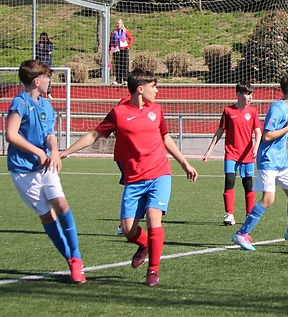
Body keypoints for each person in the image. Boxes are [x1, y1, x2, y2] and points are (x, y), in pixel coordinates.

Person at [62, 68, 198, 287]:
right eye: (154, 86)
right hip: (134, 178)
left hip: (159, 173)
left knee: (154, 218)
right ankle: (144, 245)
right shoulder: (119, 113)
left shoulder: (157, 110)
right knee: (128, 230)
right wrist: (66, 152)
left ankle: (153, 270)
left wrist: (184, 163)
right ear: (140, 89)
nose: (157, 90)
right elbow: (94, 135)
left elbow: (166, 138)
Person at [6, 59, 87, 283]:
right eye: (47, 77)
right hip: (23, 170)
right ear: (36, 81)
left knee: (61, 204)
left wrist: (53, 151)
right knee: (47, 215)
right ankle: (71, 260)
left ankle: (77, 257)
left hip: (46, 168)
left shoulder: (46, 105)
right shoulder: (20, 103)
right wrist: (37, 152)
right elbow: (11, 135)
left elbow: (50, 134)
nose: (50, 81)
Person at [232, 73, 288, 251]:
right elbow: (267, 136)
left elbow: (279, 135)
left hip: (281, 161)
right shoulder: (277, 108)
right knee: (268, 199)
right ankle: (241, 234)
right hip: (268, 160)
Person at [202, 81, 262, 226]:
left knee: (248, 184)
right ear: (239, 94)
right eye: (248, 94)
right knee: (229, 182)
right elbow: (220, 131)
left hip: (247, 155)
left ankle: (249, 214)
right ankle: (229, 214)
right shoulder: (228, 111)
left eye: (251, 94)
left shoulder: (253, 112)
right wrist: (209, 150)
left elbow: (258, 132)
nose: (250, 97)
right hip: (231, 154)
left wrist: (255, 148)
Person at [110, 18, 133, 84]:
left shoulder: (125, 31)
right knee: (117, 65)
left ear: (122, 24)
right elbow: (111, 41)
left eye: (119, 23)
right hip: (116, 50)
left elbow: (131, 38)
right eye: (117, 23)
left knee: (124, 64)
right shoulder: (114, 32)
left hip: (124, 49)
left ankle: (126, 79)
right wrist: (111, 49)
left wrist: (128, 46)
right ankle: (118, 79)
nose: (118, 25)